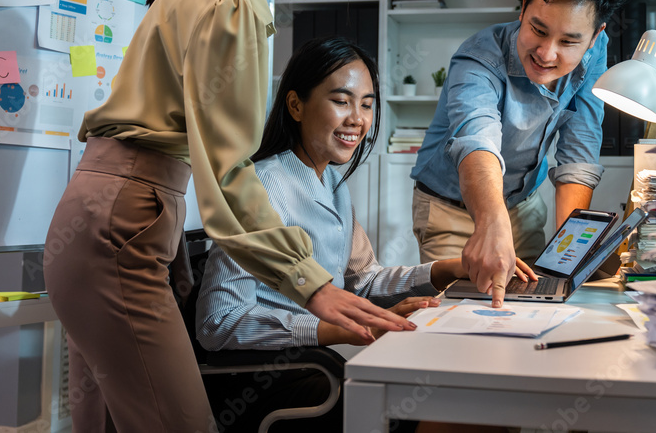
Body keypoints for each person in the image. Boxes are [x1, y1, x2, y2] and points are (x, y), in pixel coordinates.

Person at [43, 0, 411, 433]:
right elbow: (227, 173)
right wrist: (310, 285)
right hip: (119, 223)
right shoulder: (232, 1)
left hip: (103, 216)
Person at [197, 36, 468, 431]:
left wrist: (449, 269)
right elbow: (219, 322)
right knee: (441, 406)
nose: (357, 118)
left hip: (316, 369)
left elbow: (364, 279)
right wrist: (334, 330)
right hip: (273, 383)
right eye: (341, 101)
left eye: (367, 104)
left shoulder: (333, 183)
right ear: (296, 105)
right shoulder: (265, 186)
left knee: (447, 394)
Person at [410, 0, 625, 308]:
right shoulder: (478, 57)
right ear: (523, 7)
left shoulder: (595, 50)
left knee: (542, 304)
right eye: (538, 30)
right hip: (450, 209)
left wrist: (567, 250)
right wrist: (492, 225)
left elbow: (579, 145)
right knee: (459, 319)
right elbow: (476, 142)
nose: (547, 53)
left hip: (522, 207)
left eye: (569, 42)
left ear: (594, 36)